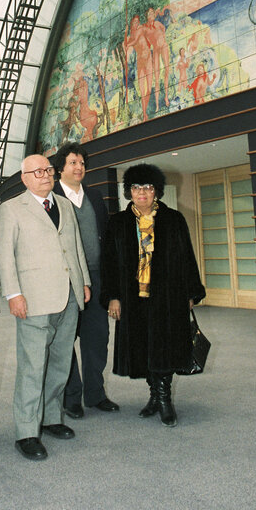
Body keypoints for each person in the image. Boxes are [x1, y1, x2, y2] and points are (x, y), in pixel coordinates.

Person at [0, 154, 91, 461]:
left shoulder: (63, 205)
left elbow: (75, 247)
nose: (45, 175)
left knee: (61, 363)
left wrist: (84, 282)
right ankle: (26, 431)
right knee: (32, 367)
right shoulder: (12, 209)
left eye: (48, 169)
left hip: (69, 295)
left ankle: (51, 417)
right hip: (33, 299)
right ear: (24, 178)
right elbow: (5, 256)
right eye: (37, 172)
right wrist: (13, 294)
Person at [100, 163, 205, 426]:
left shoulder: (173, 220)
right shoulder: (118, 223)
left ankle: (164, 399)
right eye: (136, 187)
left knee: (165, 346)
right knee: (143, 348)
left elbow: (187, 258)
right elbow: (109, 264)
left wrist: (192, 292)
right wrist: (113, 296)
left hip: (168, 297)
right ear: (129, 191)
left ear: (156, 190)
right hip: (132, 298)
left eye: (147, 187)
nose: (142, 192)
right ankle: (153, 396)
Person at [53, 142, 118, 419]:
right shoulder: (51, 197)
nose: (79, 168)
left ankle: (95, 394)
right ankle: (71, 397)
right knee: (65, 341)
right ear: (60, 169)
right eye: (72, 163)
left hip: (97, 279)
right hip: (65, 283)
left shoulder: (95, 196)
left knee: (97, 339)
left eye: (81, 163)